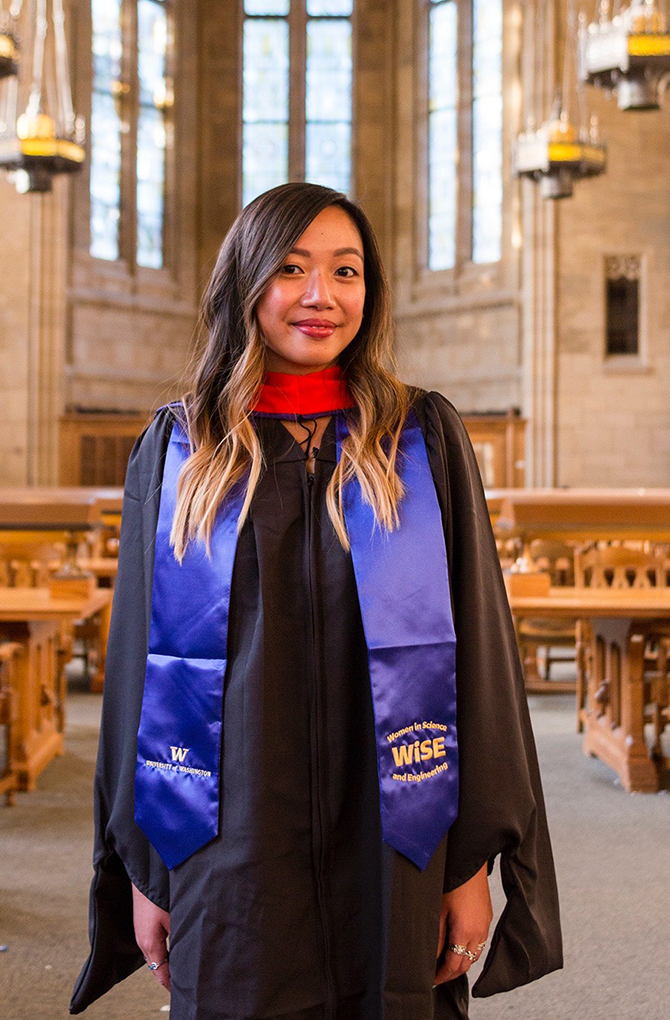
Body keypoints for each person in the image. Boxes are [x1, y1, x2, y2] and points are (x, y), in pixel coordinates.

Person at [70, 183, 562, 1020]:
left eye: (347, 271)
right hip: (226, 844)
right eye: (292, 269)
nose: (320, 296)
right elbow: (138, 674)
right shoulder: (182, 448)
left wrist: (471, 862)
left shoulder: (420, 440)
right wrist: (146, 869)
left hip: (396, 837)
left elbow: (480, 657)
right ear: (246, 283)